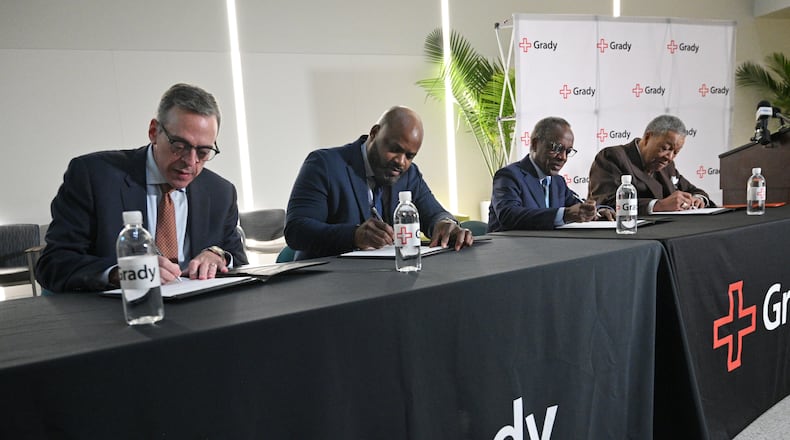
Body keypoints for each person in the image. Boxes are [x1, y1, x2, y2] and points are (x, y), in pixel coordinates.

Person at [36, 83, 248, 293]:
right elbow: (54, 263)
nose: (190, 162)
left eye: (203, 151)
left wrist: (219, 255)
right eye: (179, 146)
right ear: (154, 132)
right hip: (118, 314)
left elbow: (237, 258)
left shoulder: (221, 192)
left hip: (200, 312)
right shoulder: (94, 176)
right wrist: (120, 273)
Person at [285, 105, 473, 260]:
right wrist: (354, 235)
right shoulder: (324, 165)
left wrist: (445, 223)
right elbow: (297, 230)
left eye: (410, 156)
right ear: (374, 133)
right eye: (395, 149)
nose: (401, 161)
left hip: (382, 283)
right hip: (325, 285)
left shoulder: (409, 174)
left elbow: (434, 213)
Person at [488, 117, 613, 231]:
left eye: (568, 151)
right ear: (535, 144)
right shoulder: (509, 176)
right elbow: (509, 215)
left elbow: (579, 205)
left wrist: (599, 211)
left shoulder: (558, 182)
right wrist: (565, 215)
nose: (563, 157)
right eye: (557, 148)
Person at [587, 114, 714, 215]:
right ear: (647, 137)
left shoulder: (667, 166)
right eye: (665, 148)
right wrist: (660, 205)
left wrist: (697, 199)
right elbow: (606, 204)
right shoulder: (612, 157)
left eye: (676, 152)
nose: (669, 157)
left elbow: (693, 190)